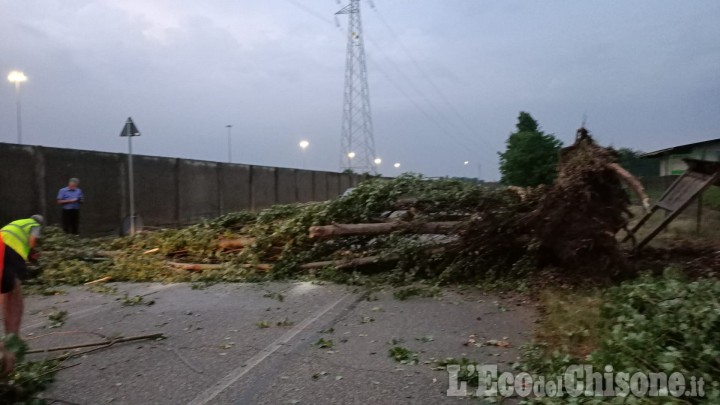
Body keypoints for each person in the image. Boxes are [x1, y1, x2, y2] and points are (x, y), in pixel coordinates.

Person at [0, 215, 43, 374]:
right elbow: (32, 241)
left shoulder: (17, 223)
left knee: (9, 287)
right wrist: (32, 251)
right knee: (14, 288)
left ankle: (10, 342)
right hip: (11, 250)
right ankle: (11, 340)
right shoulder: (35, 225)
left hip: (2, 244)